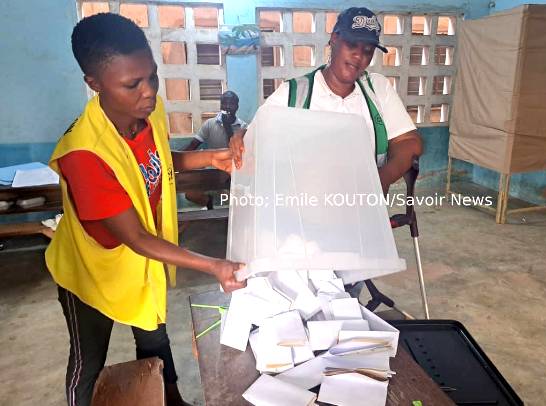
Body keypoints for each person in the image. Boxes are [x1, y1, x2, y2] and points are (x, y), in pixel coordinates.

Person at [45, 13, 245, 406]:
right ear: (94, 83)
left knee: (155, 338)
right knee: (89, 362)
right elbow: (135, 237)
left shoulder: (147, 111)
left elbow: (156, 161)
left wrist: (209, 158)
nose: (149, 92)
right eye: (132, 84)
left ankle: (171, 400)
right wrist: (214, 266)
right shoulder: (84, 154)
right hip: (92, 271)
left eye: (152, 76)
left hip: (140, 262)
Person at [229, 7, 423, 297]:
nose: (359, 56)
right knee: (300, 296)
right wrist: (241, 136)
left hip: (357, 223)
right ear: (334, 39)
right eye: (352, 44)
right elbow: (254, 142)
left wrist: (379, 179)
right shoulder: (294, 94)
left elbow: (410, 142)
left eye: (368, 50)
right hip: (300, 226)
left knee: (344, 296)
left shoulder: (377, 91)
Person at [184, 91, 246, 208]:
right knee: (190, 194)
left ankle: (231, 212)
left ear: (237, 106)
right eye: (224, 103)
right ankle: (208, 201)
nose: (227, 107)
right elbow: (193, 145)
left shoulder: (242, 127)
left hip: (231, 171)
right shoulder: (210, 124)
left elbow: (237, 150)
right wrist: (173, 159)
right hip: (211, 169)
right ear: (220, 105)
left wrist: (228, 128)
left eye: (231, 103)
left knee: (237, 200)